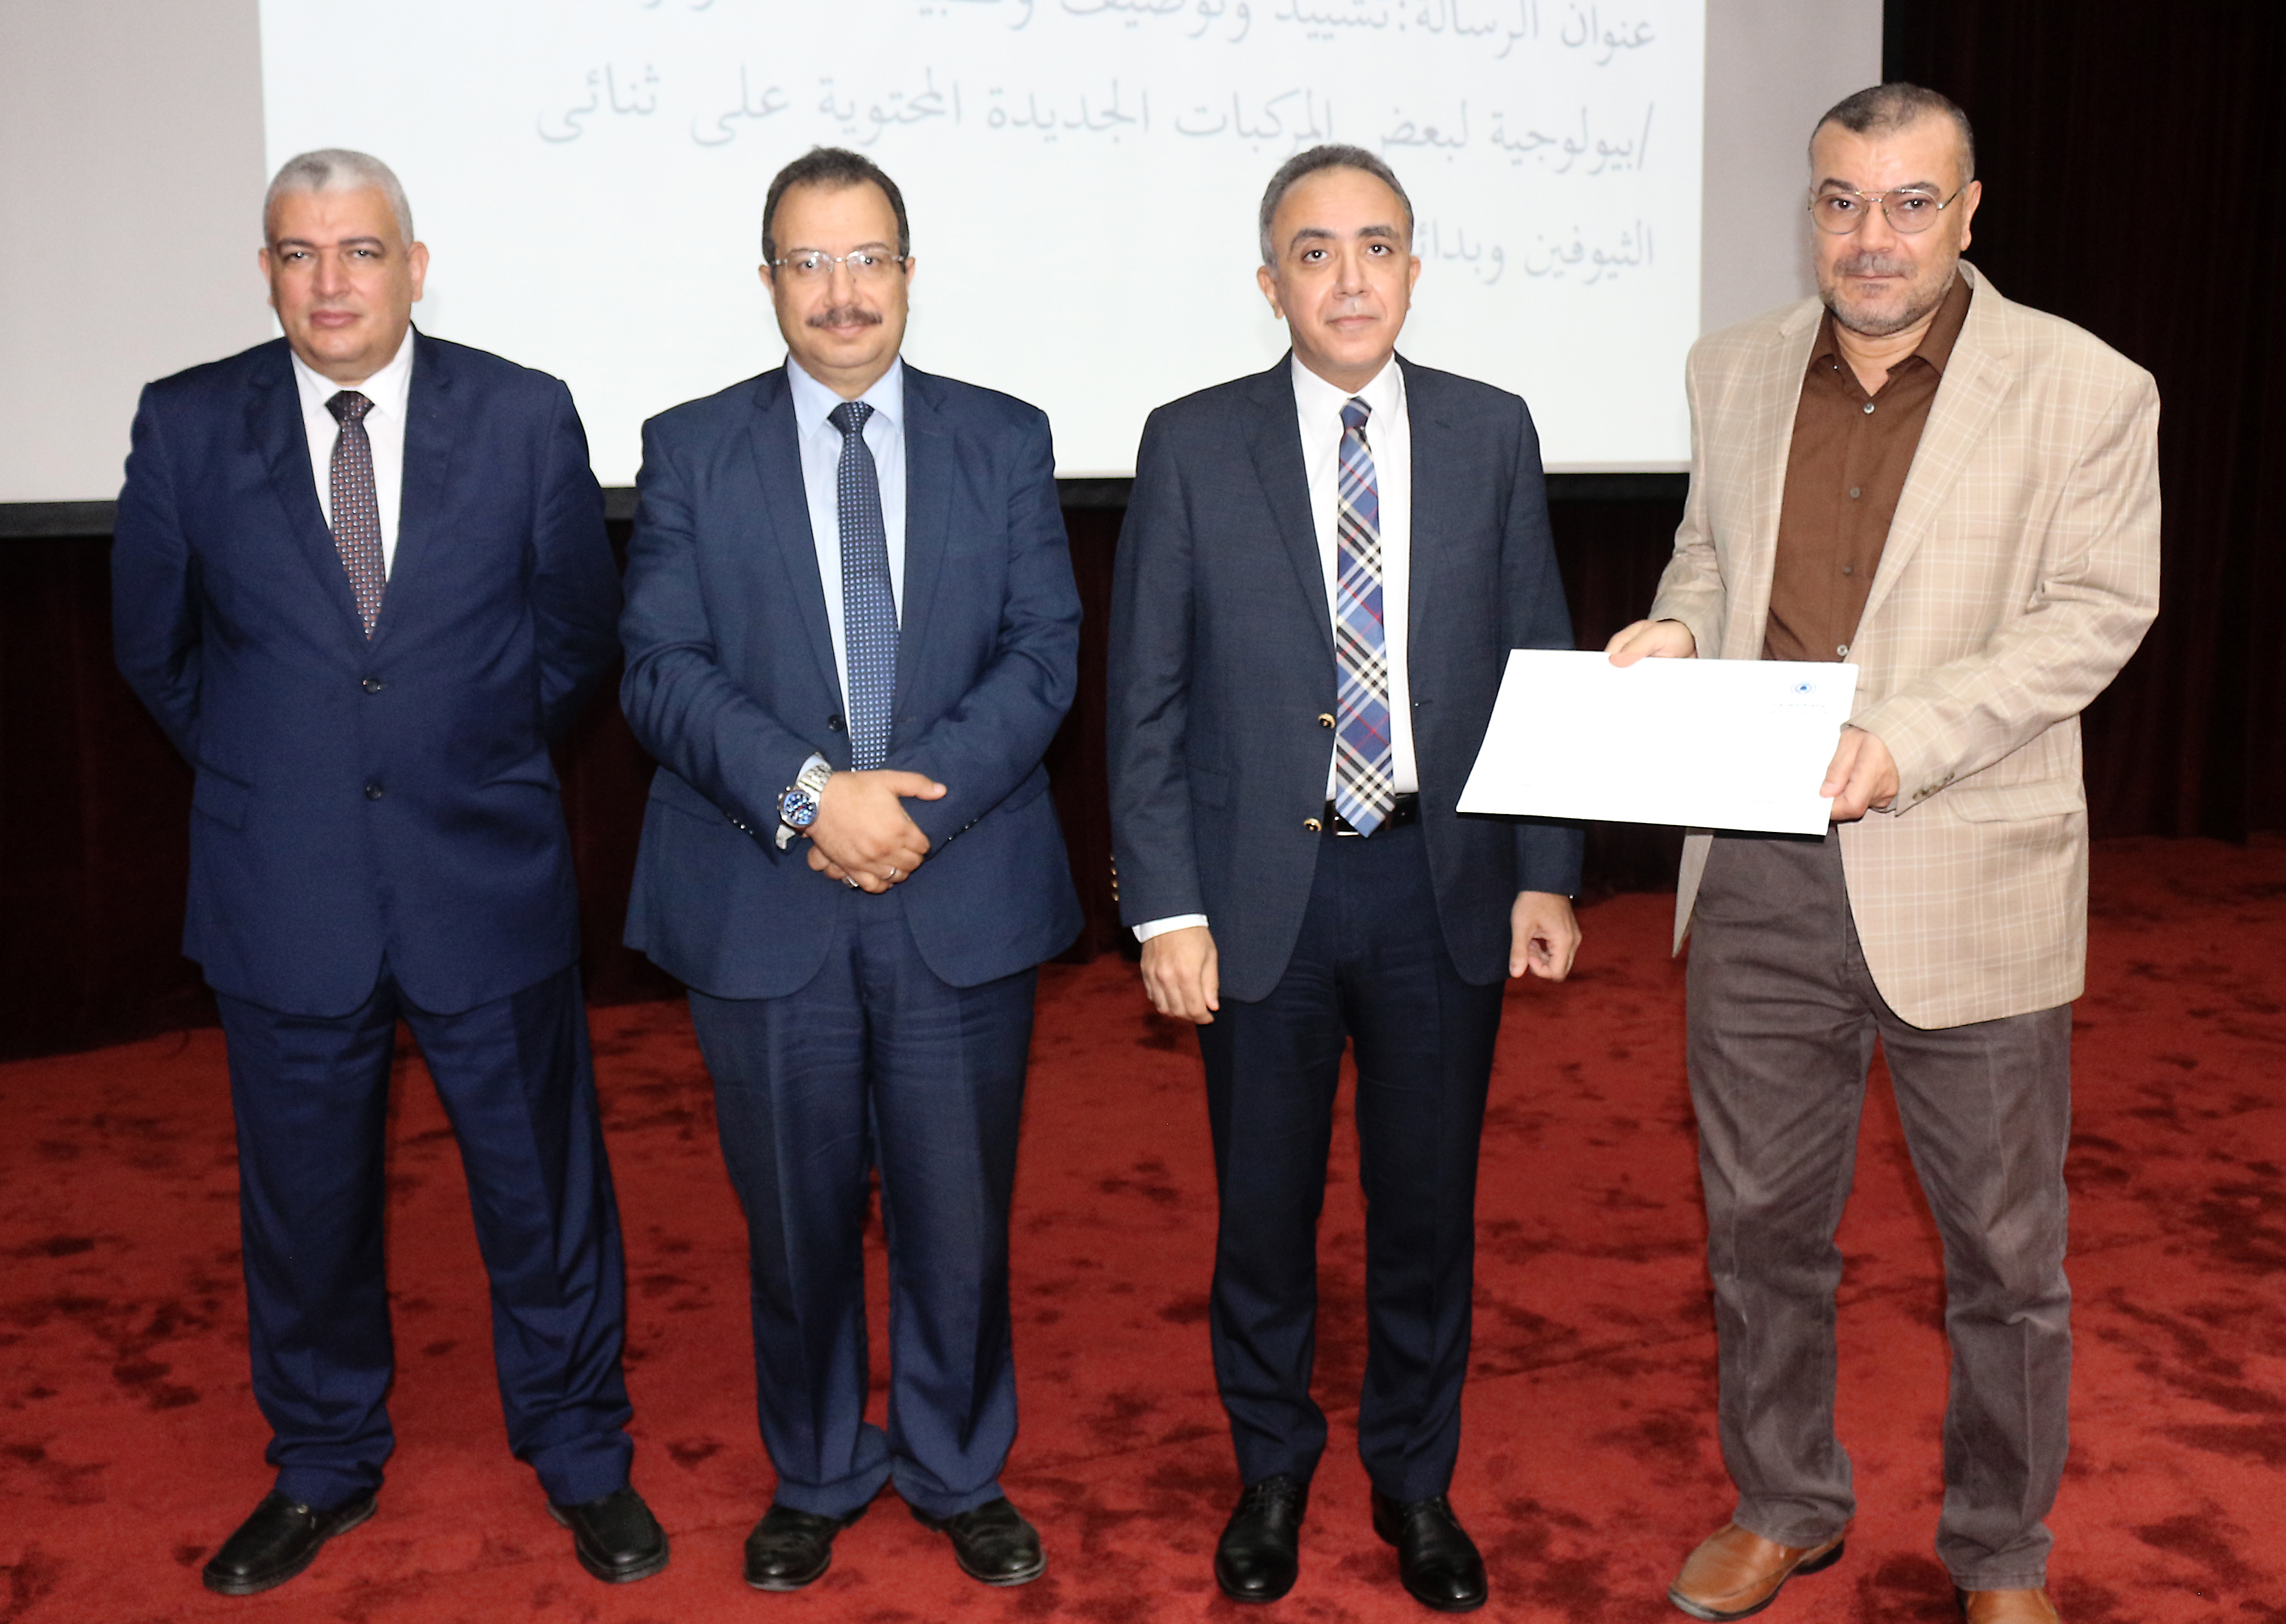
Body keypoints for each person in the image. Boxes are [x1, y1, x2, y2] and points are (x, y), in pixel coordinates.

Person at [1606, 85, 2159, 1624]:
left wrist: (1913, 734)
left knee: (2005, 1253)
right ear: (1813, 210)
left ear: (1968, 213)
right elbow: (1710, 554)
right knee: (1759, 1229)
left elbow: (2096, 613)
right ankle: (1784, 1499)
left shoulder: (2088, 386)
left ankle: (2001, 1550)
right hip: (1759, 865)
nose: (1874, 236)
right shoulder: (1731, 368)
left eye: (1912, 203)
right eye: (1843, 200)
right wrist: (1682, 628)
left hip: (1967, 860)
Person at [111, 150, 662, 1596]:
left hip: (482, 869)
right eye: (299, 254)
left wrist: (466, 757)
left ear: (415, 266)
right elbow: (157, 651)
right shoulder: (186, 424)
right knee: (304, 1207)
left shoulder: (524, 413)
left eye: (360, 250)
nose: (331, 281)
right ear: (267, 274)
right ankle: (322, 1459)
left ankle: (581, 1447)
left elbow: (576, 635)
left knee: (543, 1191)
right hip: (282, 885)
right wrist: (281, 774)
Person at [1107, 144, 1583, 1614]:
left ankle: (1415, 1477)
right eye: (1315, 252)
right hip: (1265, 896)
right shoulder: (1193, 442)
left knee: (1426, 1208)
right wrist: (1166, 905)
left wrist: (1548, 873)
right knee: (1264, 1211)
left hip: (1444, 881)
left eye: (1378, 246)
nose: (1351, 276)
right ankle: (1271, 1466)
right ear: (1271, 284)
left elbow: (1538, 659)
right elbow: (1146, 698)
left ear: (1415, 271)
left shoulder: (1492, 430)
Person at [618, 146, 1081, 1593]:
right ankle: (817, 1467)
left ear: (909, 271)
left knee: (960, 1218)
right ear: (768, 281)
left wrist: (909, 812)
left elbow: (1044, 652)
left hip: (959, 886)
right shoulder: (692, 446)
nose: (841, 292)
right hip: (766, 898)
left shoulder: (1004, 438)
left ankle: (957, 1466)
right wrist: (816, 798)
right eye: (809, 263)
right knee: (795, 1220)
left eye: (867, 258)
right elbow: (659, 664)